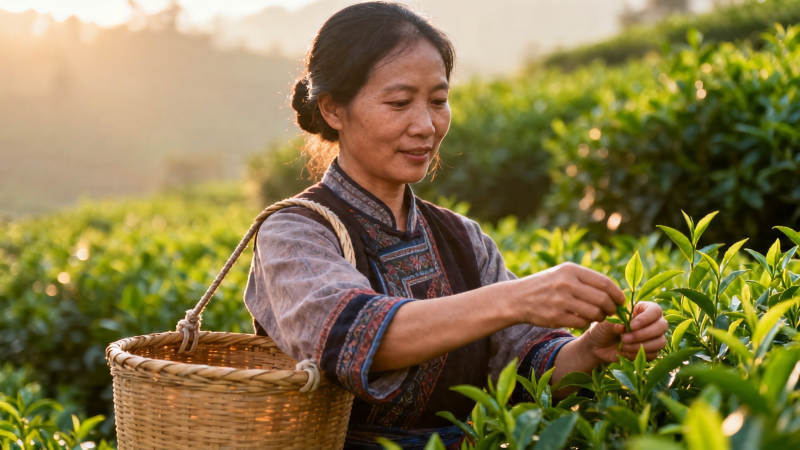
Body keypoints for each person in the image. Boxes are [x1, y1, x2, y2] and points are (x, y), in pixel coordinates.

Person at [244, 2, 668, 448]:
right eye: (399, 102)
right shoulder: (293, 232)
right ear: (333, 110)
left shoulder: (463, 237)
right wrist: (519, 297)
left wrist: (593, 351)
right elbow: (352, 338)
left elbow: (526, 371)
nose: (426, 125)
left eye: (439, 101)